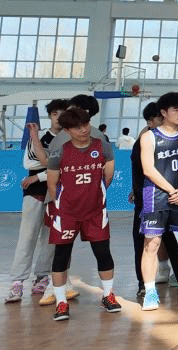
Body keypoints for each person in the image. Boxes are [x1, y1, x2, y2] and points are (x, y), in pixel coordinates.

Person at [44, 107, 119, 321]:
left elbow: (108, 175)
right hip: (67, 214)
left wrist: (94, 196)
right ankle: (61, 302)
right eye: (77, 127)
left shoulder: (102, 146)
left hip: (95, 212)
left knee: (103, 253)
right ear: (67, 130)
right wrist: (62, 206)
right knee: (61, 256)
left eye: (85, 124)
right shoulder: (59, 152)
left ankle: (108, 295)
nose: (84, 130)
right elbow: (52, 184)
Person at [139, 92, 178, 310]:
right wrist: (172, 190)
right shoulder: (149, 136)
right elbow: (148, 169)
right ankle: (150, 292)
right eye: (176, 109)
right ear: (164, 112)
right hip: (156, 197)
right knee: (152, 244)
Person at [5, 99, 67, 305]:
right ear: (50, 116)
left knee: (50, 239)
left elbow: (63, 167)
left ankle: (42, 277)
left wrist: (40, 173)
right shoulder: (39, 136)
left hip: (56, 194)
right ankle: (17, 282)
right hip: (34, 194)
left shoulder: (69, 139)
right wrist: (48, 165)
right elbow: (30, 162)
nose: (58, 117)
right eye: (55, 114)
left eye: (62, 113)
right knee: (27, 236)